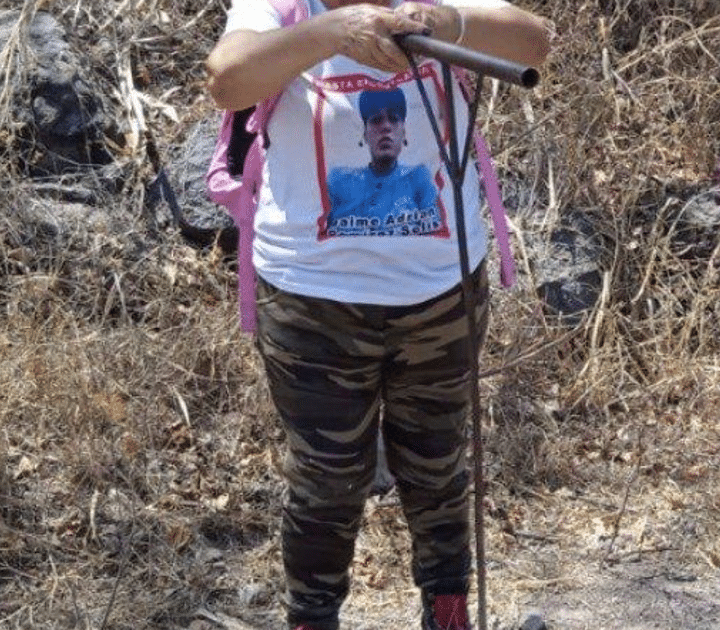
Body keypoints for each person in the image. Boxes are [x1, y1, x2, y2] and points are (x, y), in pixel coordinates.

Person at [205, 2, 552, 629]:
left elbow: (533, 43)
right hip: (312, 297)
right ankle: (312, 619)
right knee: (326, 483)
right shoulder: (286, 7)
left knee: (439, 468)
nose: (387, 127)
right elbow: (226, 79)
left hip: (441, 290)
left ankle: (448, 614)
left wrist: (448, 23)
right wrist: (328, 35)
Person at [325, 87, 441, 237]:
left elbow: (434, 237)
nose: (386, 127)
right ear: (365, 135)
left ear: (403, 133)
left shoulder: (418, 178)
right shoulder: (338, 181)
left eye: (393, 119)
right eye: (376, 120)